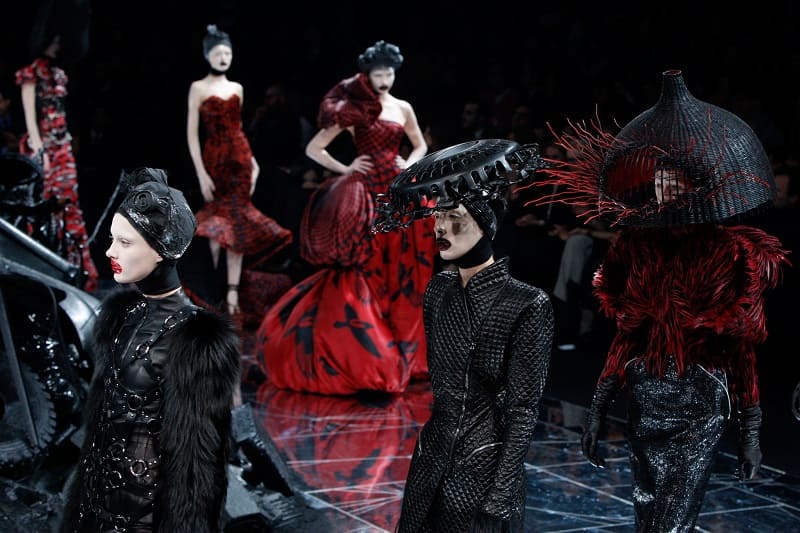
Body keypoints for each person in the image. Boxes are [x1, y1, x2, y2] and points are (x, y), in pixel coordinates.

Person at [533, 69, 790, 531]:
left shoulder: (730, 253)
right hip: (646, 399)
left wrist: (751, 432)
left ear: (696, 184)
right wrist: (598, 410)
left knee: (673, 520)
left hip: (700, 400)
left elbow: (741, 346)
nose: (665, 185)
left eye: (676, 177)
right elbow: (625, 336)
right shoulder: (636, 248)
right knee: (647, 510)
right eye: (660, 177)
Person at [373, 139, 553, 532]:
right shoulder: (438, 290)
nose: (440, 227)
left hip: (484, 467)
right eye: (437, 216)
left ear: (486, 224)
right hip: (431, 457)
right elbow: (443, 382)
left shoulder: (527, 303)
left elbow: (523, 409)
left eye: (454, 216)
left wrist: (501, 493)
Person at [58, 167, 240, 532]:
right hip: (97, 508)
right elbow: (98, 430)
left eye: (125, 243)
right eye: (112, 239)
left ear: (161, 249)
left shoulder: (196, 339)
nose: (110, 252)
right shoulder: (119, 317)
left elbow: (198, 468)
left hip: (148, 517)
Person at [255, 40, 435, 395]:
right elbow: (314, 148)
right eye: (378, 74)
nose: (384, 79)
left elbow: (420, 144)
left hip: (398, 191)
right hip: (367, 195)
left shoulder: (403, 108)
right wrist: (347, 168)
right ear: (367, 75)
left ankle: (406, 351)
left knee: (405, 270)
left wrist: (410, 163)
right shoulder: (357, 110)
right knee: (369, 268)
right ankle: (372, 350)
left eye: (389, 73)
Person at [186, 24, 293, 318]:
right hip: (215, 161)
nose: (223, 58)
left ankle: (231, 294)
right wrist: (201, 174)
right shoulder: (198, 88)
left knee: (238, 224)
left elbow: (239, 129)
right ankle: (212, 289)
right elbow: (192, 135)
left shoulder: (237, 88)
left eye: (227, 53)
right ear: (207, 55)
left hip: (240, 160)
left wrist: (253, 162)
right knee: (215, 226)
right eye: (218, 53)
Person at [15, 5, 98, 292]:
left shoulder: (59, 73)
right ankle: (44, 265)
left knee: (68, 203)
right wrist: (40, 152)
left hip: (61, 145)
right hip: (44, 147)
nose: (57, 44)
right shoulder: (31, 73)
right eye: (53, 39)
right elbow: (30, 117)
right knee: (45, 203)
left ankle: (74, 265)